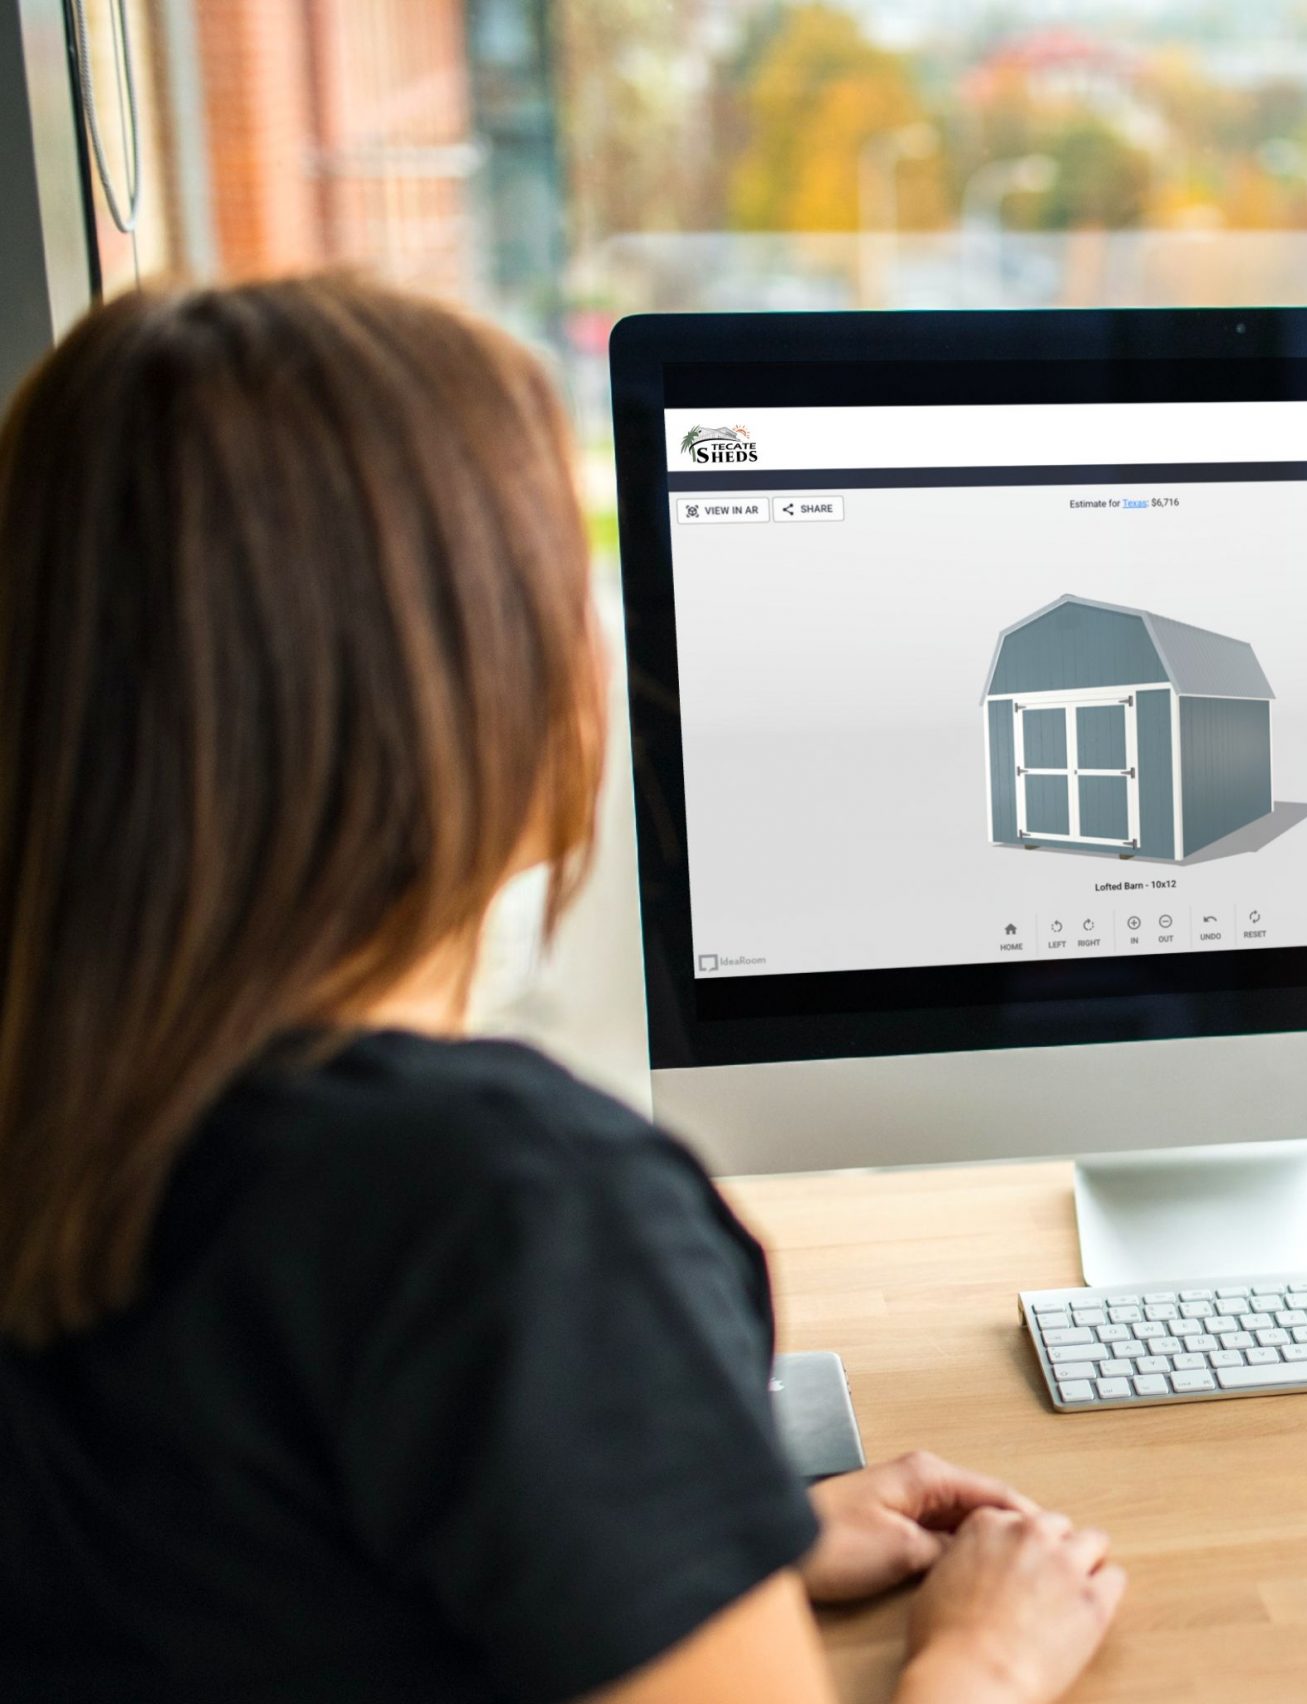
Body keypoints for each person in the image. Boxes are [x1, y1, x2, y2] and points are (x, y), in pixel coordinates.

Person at [0, 277, 1123, 1704]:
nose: (604, 640)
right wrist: (986, 1659)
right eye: (555, 579)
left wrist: (692, 1547)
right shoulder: (501, 1210)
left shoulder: (78, 1129)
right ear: (454, 685)